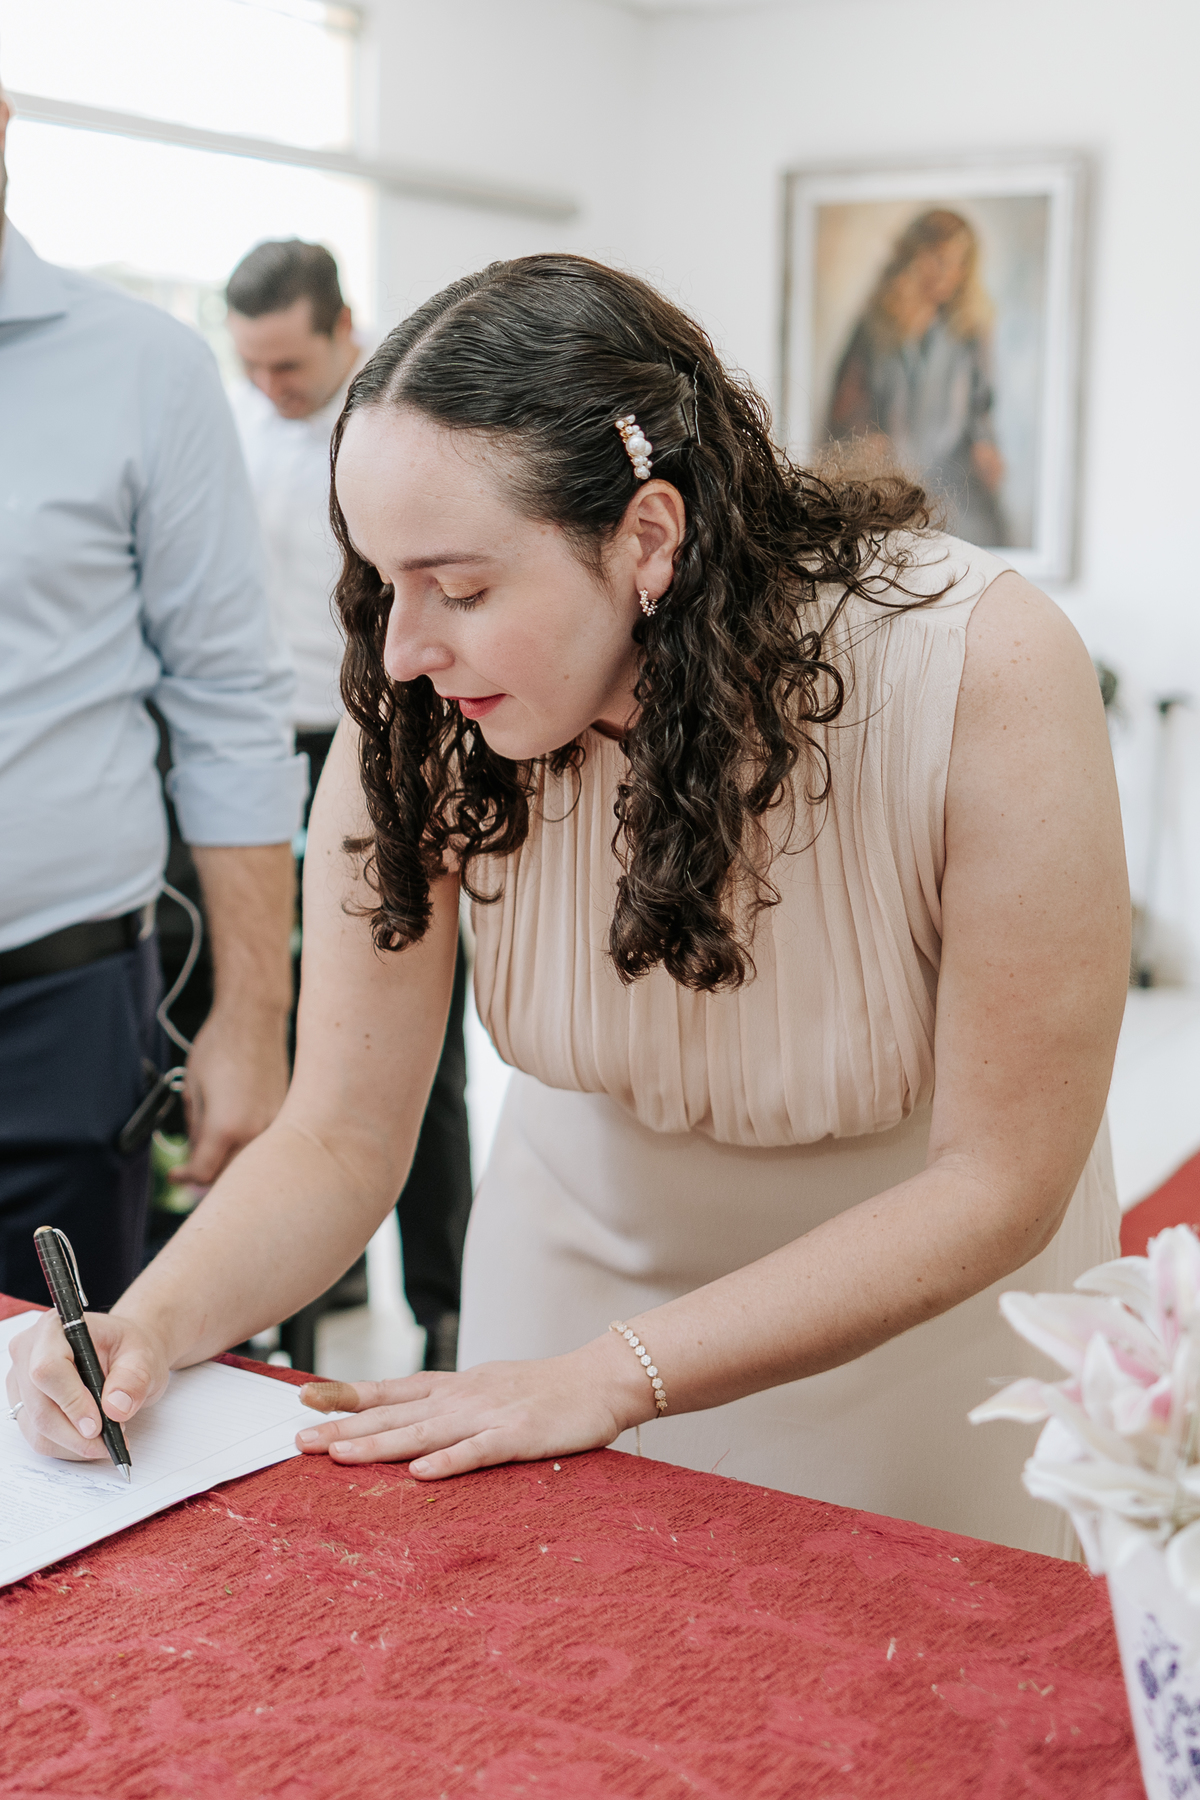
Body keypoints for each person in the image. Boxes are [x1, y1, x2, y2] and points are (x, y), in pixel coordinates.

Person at [8, 255, 1129, 1560]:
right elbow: (340, 1136)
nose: (402, 651)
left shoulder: (981, 667)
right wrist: (150, 1323)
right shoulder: (422, 717)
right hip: (558, 1309)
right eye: (383, 581)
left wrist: (615, 1374)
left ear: (647, 537)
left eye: (463, 589)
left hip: (924, 1342)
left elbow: (1000, 1179)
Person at [0, 89, 305, 1309]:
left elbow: (229, 701)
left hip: (57, 1017)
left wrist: (253, 1013)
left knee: (66, 1399)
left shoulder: (144, 369)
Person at [224, 240, 473, 1369]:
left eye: (287, 364)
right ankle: (293, 1312)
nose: (269, 385)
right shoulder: (237, 435)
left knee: (417, 1047)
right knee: (300, 1040)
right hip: (265, 748)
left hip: (388, 729)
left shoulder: (398, 442)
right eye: (253, 366)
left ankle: (443, 1308)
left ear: (342, 329)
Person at [826, 208, 1009, 547]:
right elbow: (845, 404)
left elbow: (981, 408)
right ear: (914, 256)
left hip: (955, 488)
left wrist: (985, 446)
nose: (950, 273)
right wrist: (862, 440)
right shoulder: (874, 327)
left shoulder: (969, 331)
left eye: (960, 263)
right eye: (940, 259)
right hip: (889, 491)